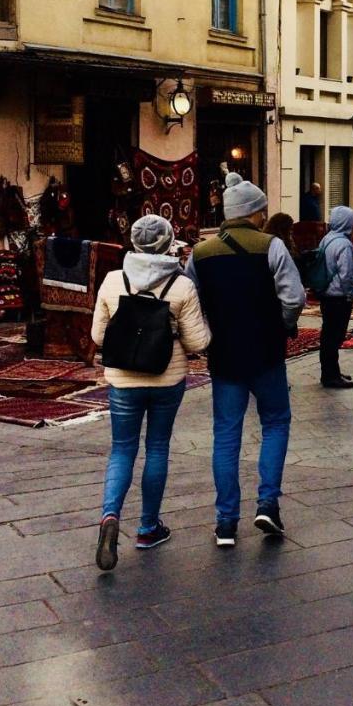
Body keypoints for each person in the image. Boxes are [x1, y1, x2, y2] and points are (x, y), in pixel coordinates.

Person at [187, 174, 305, 544]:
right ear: (254, 212)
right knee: (275, 423)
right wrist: (283, 325)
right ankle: (267, 504)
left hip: (224, 355)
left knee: (225, 435)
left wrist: (207, 334)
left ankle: (225, 522)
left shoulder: (200, 253)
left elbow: (191, 301)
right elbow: (294, 298)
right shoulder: (271, 246)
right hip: (266, 352)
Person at [92, 214, 210, 571]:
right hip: (166, 378)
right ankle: (147, 527)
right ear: (168, 242)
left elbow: (99, 337)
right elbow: (198, 341)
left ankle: (110, 516)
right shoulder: (181, 285)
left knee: (122, 450)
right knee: (157, 447)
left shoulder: (113, 281)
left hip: (123, 380)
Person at [317, 204, 353, 389]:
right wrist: (350, 294)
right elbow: (347, 273)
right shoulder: (344, 244)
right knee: (334, 336)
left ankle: (330, 371)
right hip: (338, 296)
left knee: (328, 334)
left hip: (326, 293)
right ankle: (330, 376)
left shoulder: (327, 239)